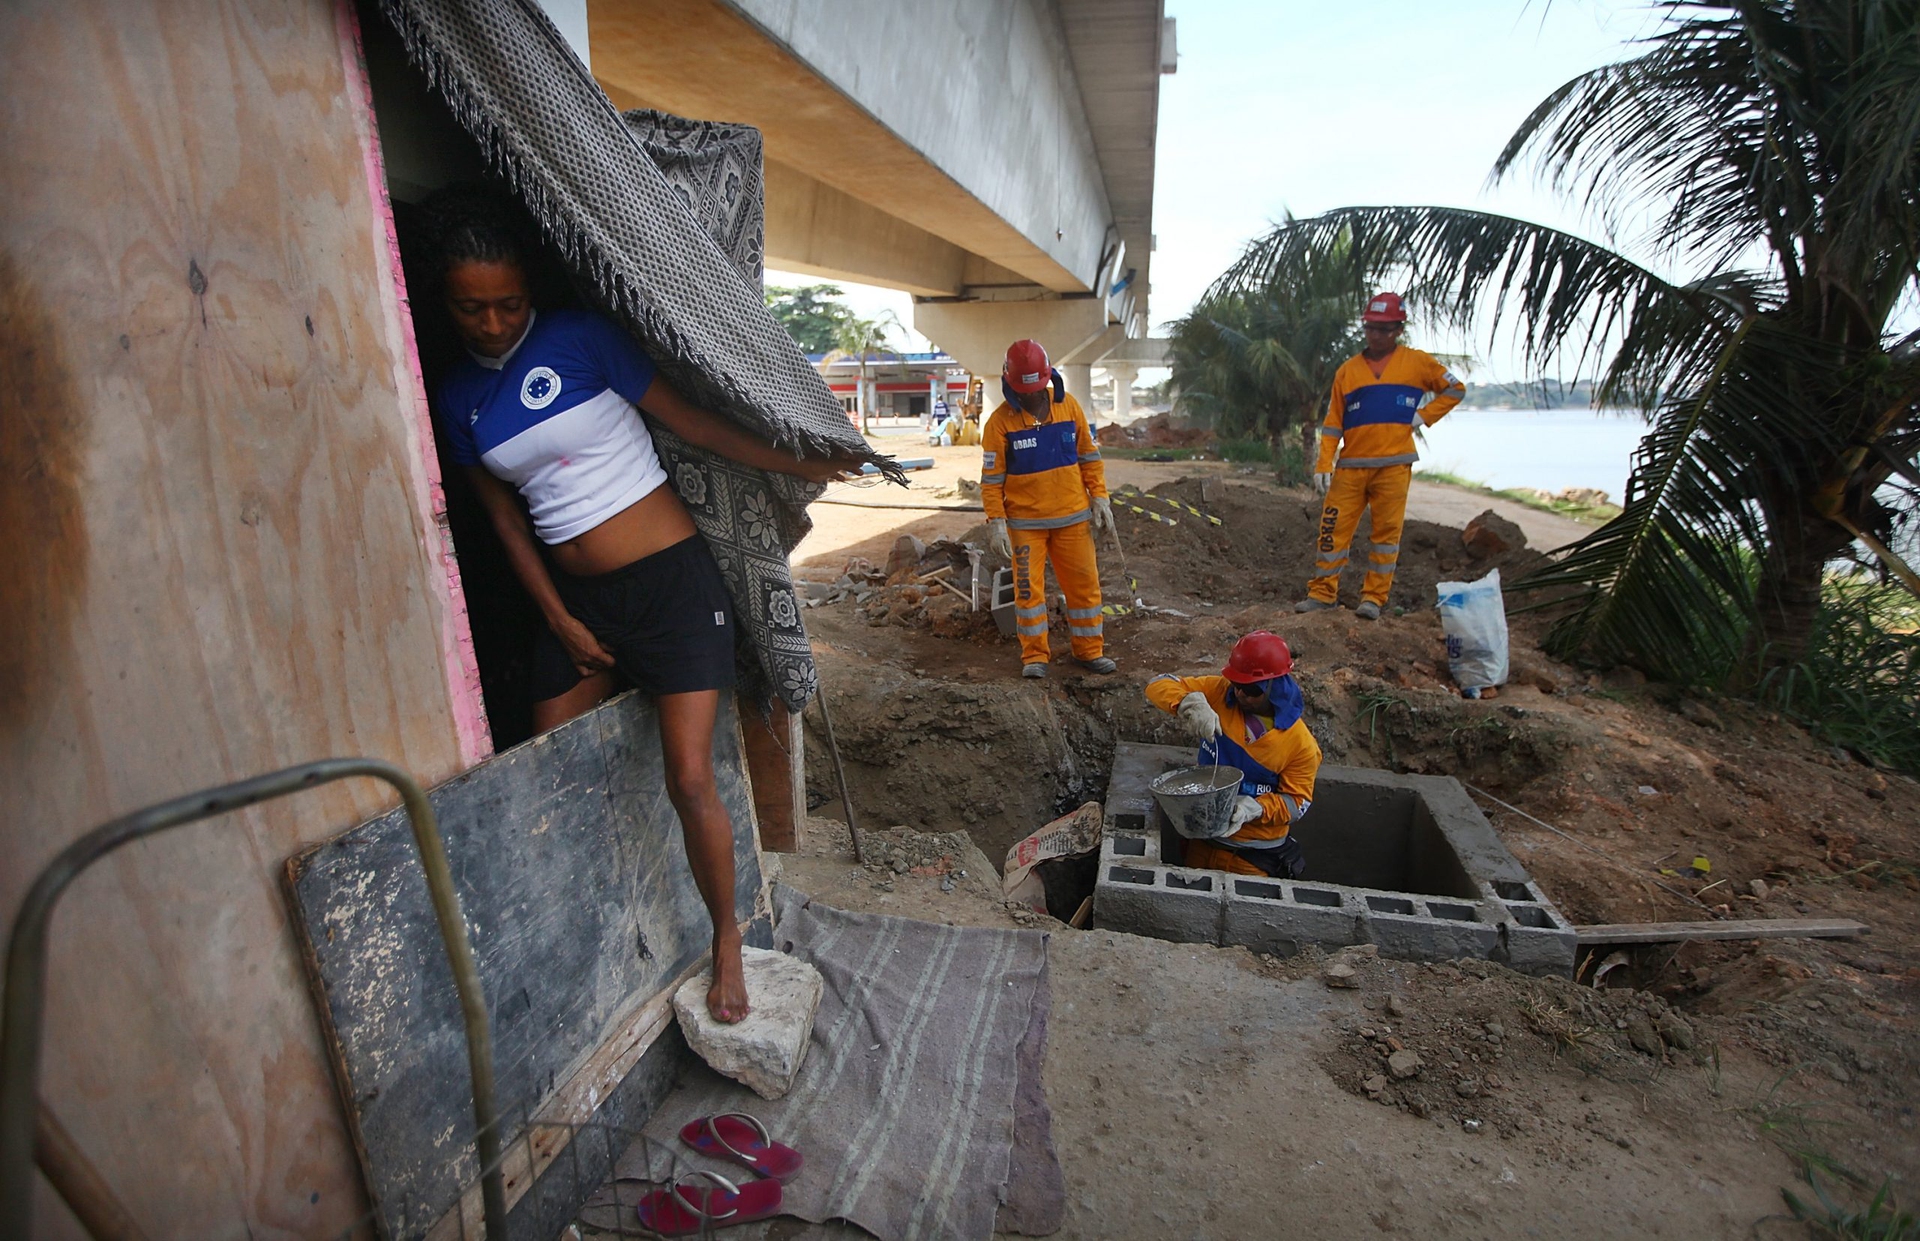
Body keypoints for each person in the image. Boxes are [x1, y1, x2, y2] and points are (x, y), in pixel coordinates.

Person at [427, 193, 861, 1023]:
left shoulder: (580, 342)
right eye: (470, 307)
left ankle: (726, 937)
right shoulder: (454, 397)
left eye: (508, 303)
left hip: (672, 589)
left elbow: (693, 422)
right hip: (580, 599)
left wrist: (799, 458)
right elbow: (503, 519)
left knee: (689, 776)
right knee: (550, 764)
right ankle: (590, 934)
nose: (490, 323)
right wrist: (558, 618)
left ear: (531, 293)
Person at [1297, 292, 1466, 619]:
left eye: (1385, 329)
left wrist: (1425, 415)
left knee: (1386, 536)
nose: (1377, 335)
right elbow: (1333, 422)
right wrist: (1323, 461)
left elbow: (1455, 388)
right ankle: (1321, 594)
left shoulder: (1417, 363)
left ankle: (1373, 598)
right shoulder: (1348, 371)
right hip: (1351, 466)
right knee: (1332, 530)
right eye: (1372, 328)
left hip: (1394, 466)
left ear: (1399, 330)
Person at [980, 339, 1117, 678]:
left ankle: (1088, 651)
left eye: (1036, 390)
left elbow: (1089, 457)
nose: (1030, 397)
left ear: (1048, 379)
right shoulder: (999, 424)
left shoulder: (1070, 409)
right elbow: (991, 479)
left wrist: (1100, 496)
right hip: (1025, 525)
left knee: (1085, 588)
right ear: (1011, 385)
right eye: (1023, 392)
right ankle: (1035, 657)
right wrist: (996, 520)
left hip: (1073, 520)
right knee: (1029, 595)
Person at [1144, 631, 1321, 876]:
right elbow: (1158, 683)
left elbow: (1296, 803)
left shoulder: (1300, 744)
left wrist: (1255, 808)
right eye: (1237, 686)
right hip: (1203, 841)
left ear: (1273, 686)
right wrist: (1187, 702)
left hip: (1253, 857)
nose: (1240, 695)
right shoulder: (1219, 692)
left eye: (1250, 690)